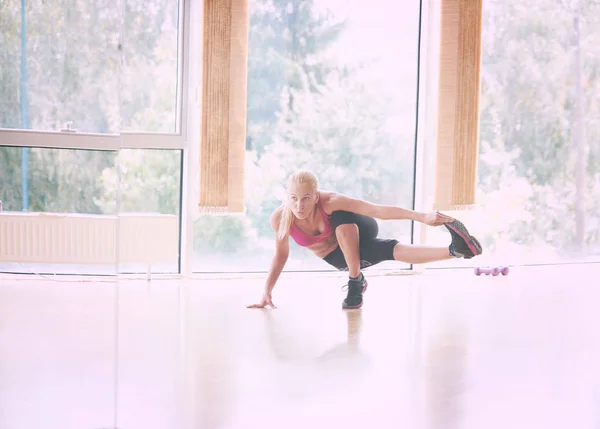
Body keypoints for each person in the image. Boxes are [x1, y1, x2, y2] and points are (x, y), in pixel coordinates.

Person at [247, 169, 482, 310]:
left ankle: (354, 281)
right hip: (338, 256)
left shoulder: (330, 201)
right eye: (294, 198)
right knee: (389, 250)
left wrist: (422, 217)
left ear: (316, 195)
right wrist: (267, 291)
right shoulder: (280, 219)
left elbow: (377, 210)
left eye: (307, 198)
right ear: (286, 196)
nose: (300, 205)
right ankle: (456, 251)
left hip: (361, 229)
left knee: (341, 214)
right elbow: (281, 254)